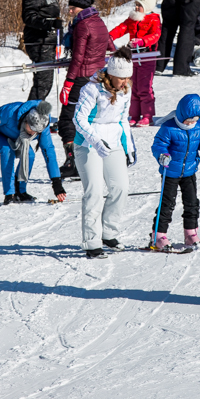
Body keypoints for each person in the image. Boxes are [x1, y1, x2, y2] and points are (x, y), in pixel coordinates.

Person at [73, 48, 136, 259]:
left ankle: (109, 233)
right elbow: (78, 119)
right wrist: (95, 141)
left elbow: (123, 120)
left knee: (121, 187)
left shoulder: (125, 91)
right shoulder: (91, 89)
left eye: (128, 77)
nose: (125, 82)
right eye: (121, 78)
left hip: (114, 142)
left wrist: (130, 148)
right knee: (95, 192)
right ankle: (92, 242)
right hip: (88, 144)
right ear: (111, 75)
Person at [149, 93, 200, 251]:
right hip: (170, 172)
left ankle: (191, 233)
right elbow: (158, 144)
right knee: (167, 204)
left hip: (189, 171)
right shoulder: (168, 128)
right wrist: (162, 155)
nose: (192, 123)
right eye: (189, 120)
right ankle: (158, 236)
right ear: (181, 115)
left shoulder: (198, 127)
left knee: (192, 203)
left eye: (195, 119)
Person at [58, 0, 111, 179]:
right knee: (87, 118)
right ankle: (89, 162)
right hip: (97, 76)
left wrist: (68, 83)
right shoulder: (99, 22)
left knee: (67, 118)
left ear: (81, 8)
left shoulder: (82, 25)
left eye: (72, 8)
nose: (70, 12)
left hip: (81, 77)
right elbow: (111, 47)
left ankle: (72, 162)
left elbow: (78, 58)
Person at [0, 100, 67, 205]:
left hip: (17, 138)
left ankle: (20, 190)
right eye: (32, 130)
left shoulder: (43, 124)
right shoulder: (9, 113)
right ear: (26, 121)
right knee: (7, 150)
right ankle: (9, 194)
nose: (33, 134)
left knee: (30, 154)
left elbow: (49, 152)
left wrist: (56, 183)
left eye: (36, 132)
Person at [108, 0, 161, 126]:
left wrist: (142, 41)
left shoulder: (153, 19)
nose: (137, 7)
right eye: (136, 4)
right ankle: (134, 114)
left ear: (148, 6)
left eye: (140, 5)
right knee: (133, 86)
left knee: (145, 87)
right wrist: (110, 36)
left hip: (147, 57)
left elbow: (155, 35)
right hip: (133, 57)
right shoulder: (132, 19)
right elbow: (121, 28)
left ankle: (147, 116)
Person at [21, 0, 64, 101]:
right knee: (43, 83)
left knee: (44, 82)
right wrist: (50, 24)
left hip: (47, 41)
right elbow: (28, 16)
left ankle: (34, 115)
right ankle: (29, 118)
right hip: (39, 41)